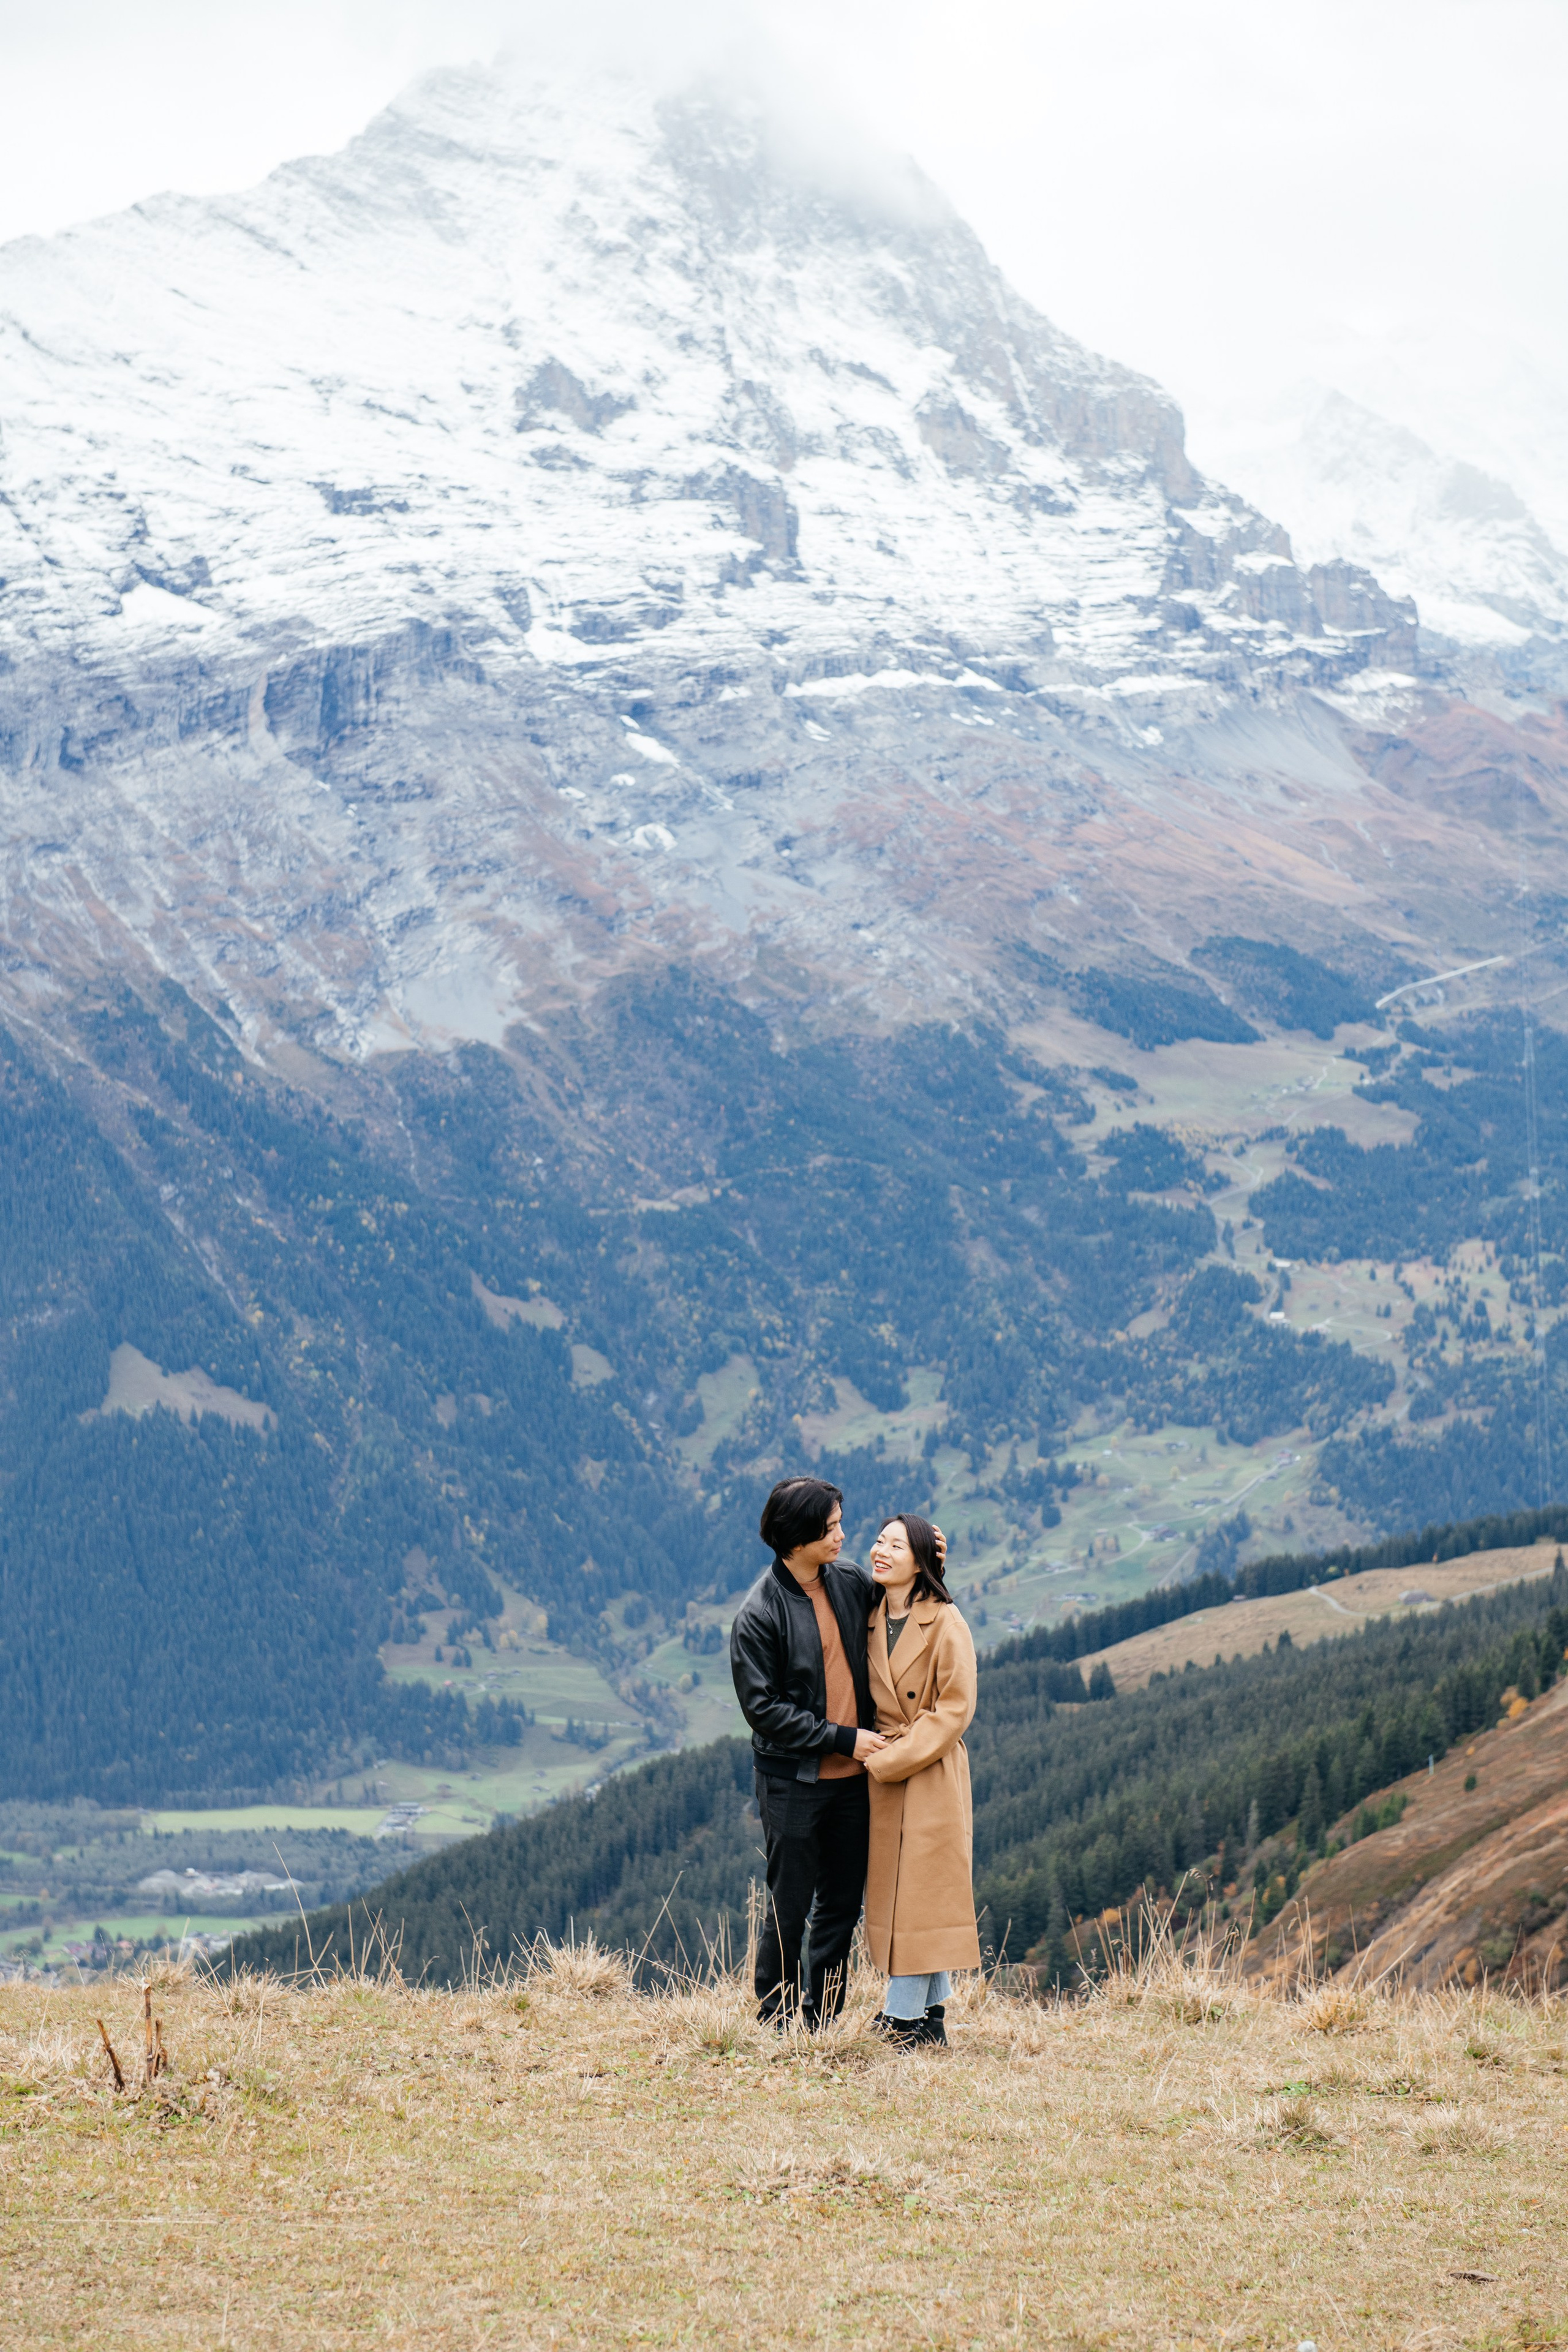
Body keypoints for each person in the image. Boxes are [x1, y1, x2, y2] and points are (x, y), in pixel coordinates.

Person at [728, 1477, 888, 2027]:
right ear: (797, 1538)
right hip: (792, 1781)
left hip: (853, 1783)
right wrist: (844, 1738)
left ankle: (821, 2020)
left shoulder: (847, 1582)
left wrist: (927, 1554)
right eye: (832, 1527)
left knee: (840, 1907)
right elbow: (764, 1710)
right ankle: (775, 2019)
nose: (844, 1535)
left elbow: (905, 1606)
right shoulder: (759, 1614)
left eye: (841, 1522)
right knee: (787, 1907)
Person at [862, 1512, 981, 2046]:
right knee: (906, 1897)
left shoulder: (947, 1621)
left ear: (921, 1562)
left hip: (926, 1770)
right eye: (879, 1541)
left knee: (918, 1896)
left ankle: (900, 2019)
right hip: (886, 1770)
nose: (881, 1551)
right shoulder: (867, 1612)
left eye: (896, 1546)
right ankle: (931, 2016)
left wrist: (889, 1759)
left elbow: (954, 1710)